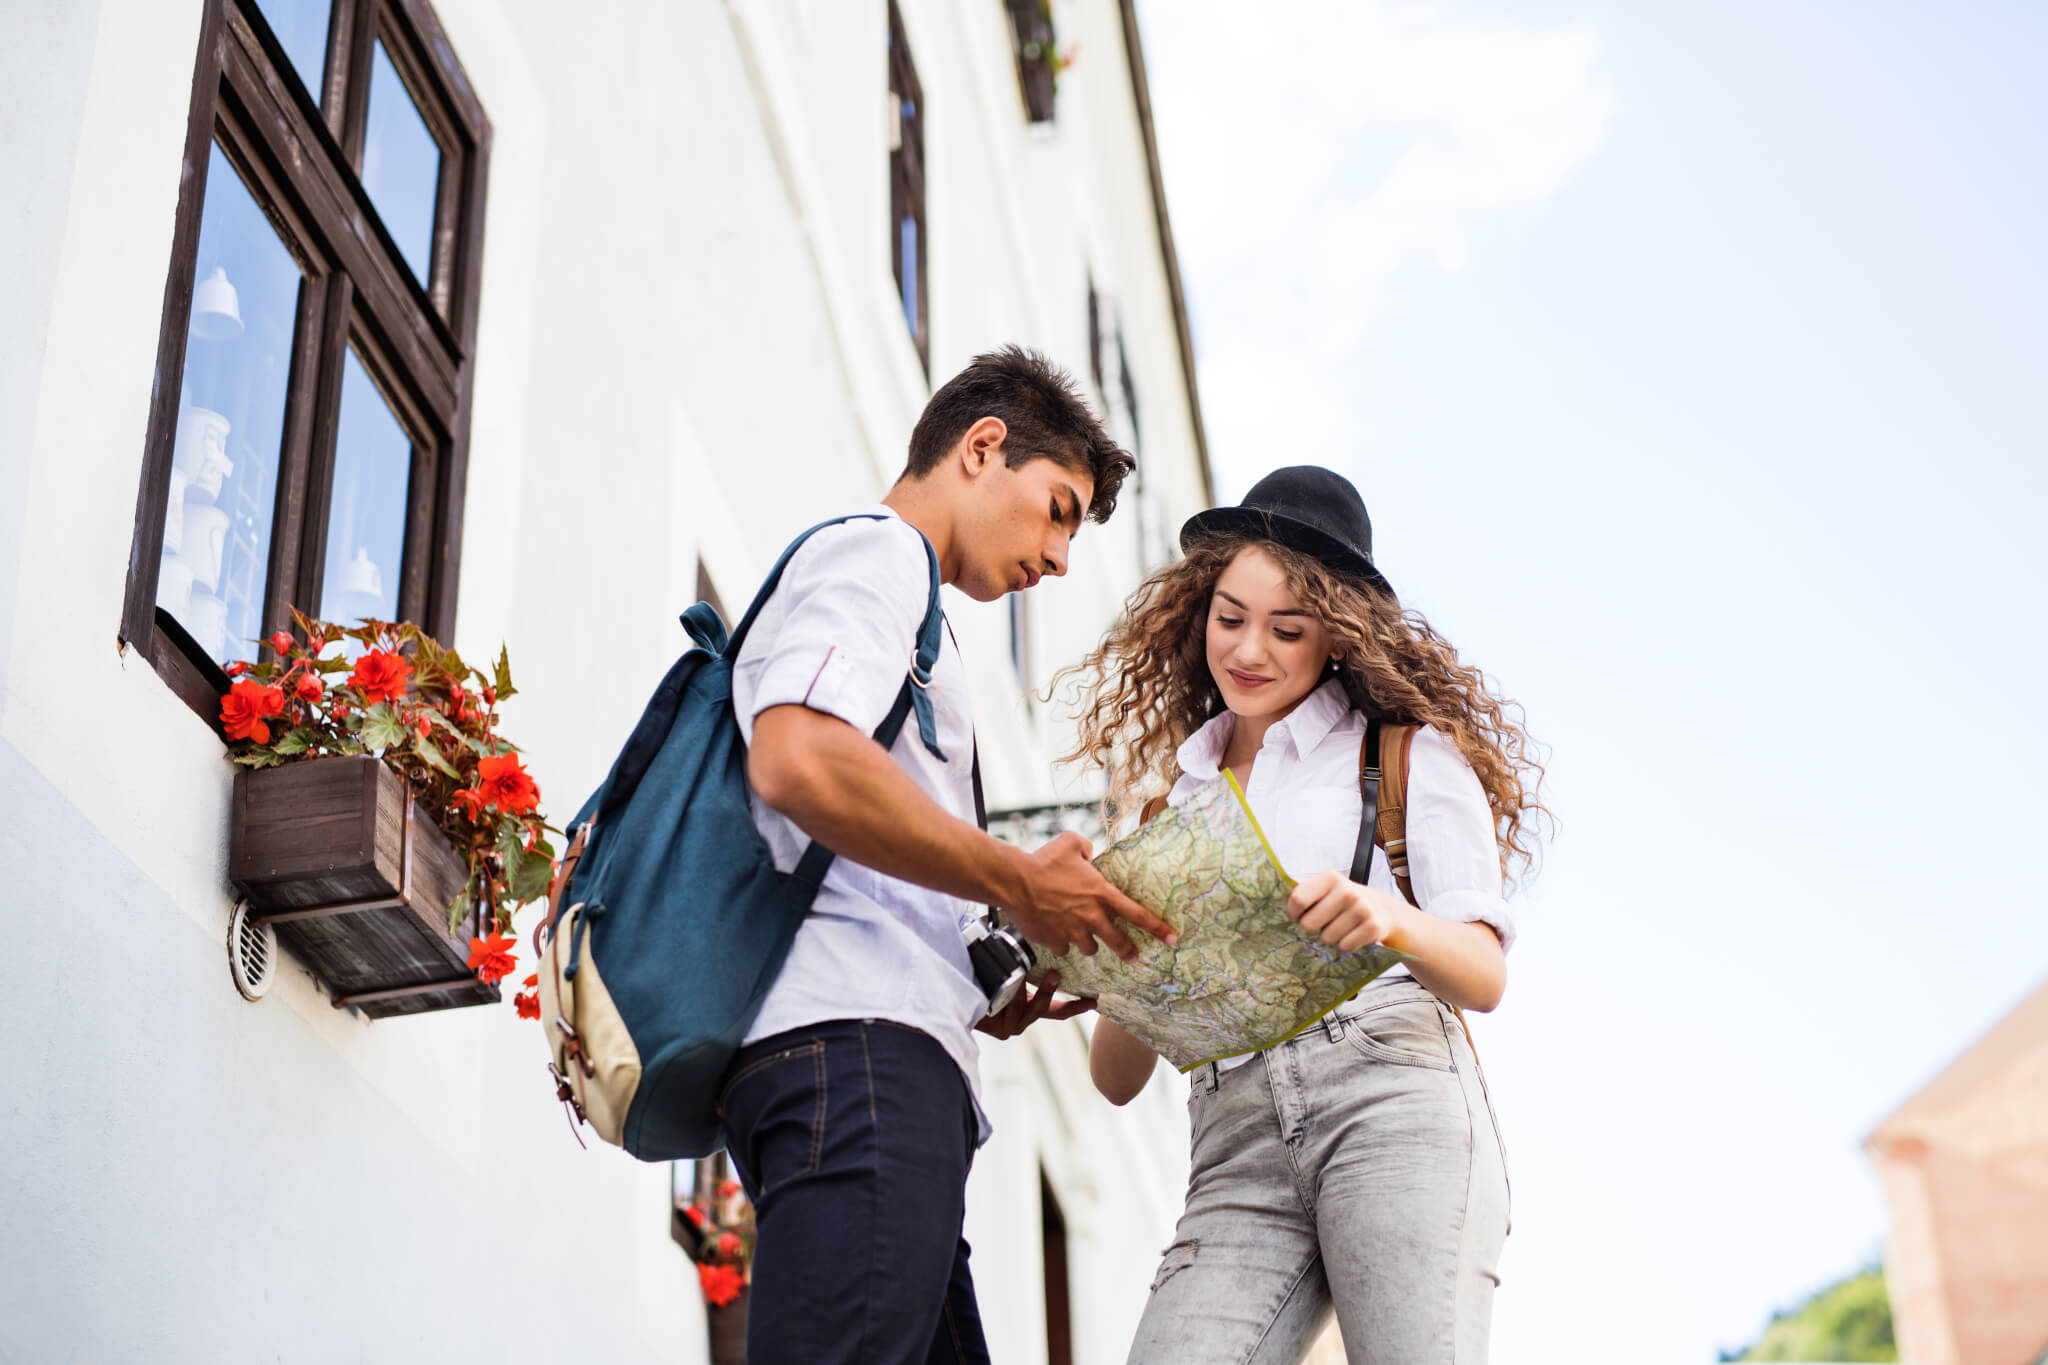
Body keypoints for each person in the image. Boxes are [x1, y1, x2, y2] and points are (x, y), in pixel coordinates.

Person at [724, 345, 1177, 1365]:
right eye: (1059, 507)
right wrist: (1017, 876)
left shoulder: (912, 607)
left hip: (877, 1061)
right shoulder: (877, 555)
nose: (1060, 559)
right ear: (981, 449)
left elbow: (846, 831)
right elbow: (797, 758)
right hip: (860, 1060)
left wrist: (994, 967)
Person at [1066, 465, 1548, 1364]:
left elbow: (1483, 975)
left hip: (1389, 1098)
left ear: (1337, 636)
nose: (1249, 649)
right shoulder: (1172, 811)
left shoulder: (1403, 760)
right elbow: (1115, 1076)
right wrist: (1129, 960)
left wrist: (1386, 918)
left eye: (1287, 629)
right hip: (1232, 1140)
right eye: (1230, 617)